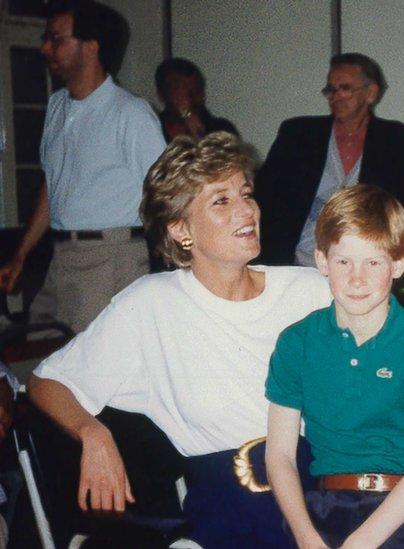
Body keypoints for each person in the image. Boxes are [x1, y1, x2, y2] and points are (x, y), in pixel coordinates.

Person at [27, 132, 331, 547]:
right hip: (232, 512)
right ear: (181, 229)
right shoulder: (152, 305)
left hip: (329, 496)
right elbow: (47, 382)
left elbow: (400, 362)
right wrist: (93, 434)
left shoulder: (312, 289)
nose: (246, 210)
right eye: (221, 201)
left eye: (246, 194)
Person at [266, 185, 404, 548]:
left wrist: (360, 543)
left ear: (398, 264)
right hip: (323, 507)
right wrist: (307, 537)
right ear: (321, 261)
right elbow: (280, 456)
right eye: (343, 262)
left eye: (373, 262)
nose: (357, 278)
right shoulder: (296, 343)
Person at [0, 0, 165, 333]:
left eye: (56, 39)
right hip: (60, 257)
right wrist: (20, 255)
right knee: (40, 358)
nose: (45, 48)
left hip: (110, 258)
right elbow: (54, 187)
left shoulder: (130, 114)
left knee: (92, 373)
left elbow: (166, 192)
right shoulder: (58, 106)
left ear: (91, 47)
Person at [256, 53, 404, 292]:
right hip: (294, 268)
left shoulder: (398, 141)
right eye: (331, 90)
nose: (336, 96)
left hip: (362, 272)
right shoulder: (298, 134)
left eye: (345, 88)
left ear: (371, 93)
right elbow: (264, 199)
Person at [155, 57, 239, 142]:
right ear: (161, 94)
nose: (188, 97)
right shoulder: (152, 128)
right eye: (179, 88)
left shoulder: (221, 129)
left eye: (195, 90)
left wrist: (197, 134)